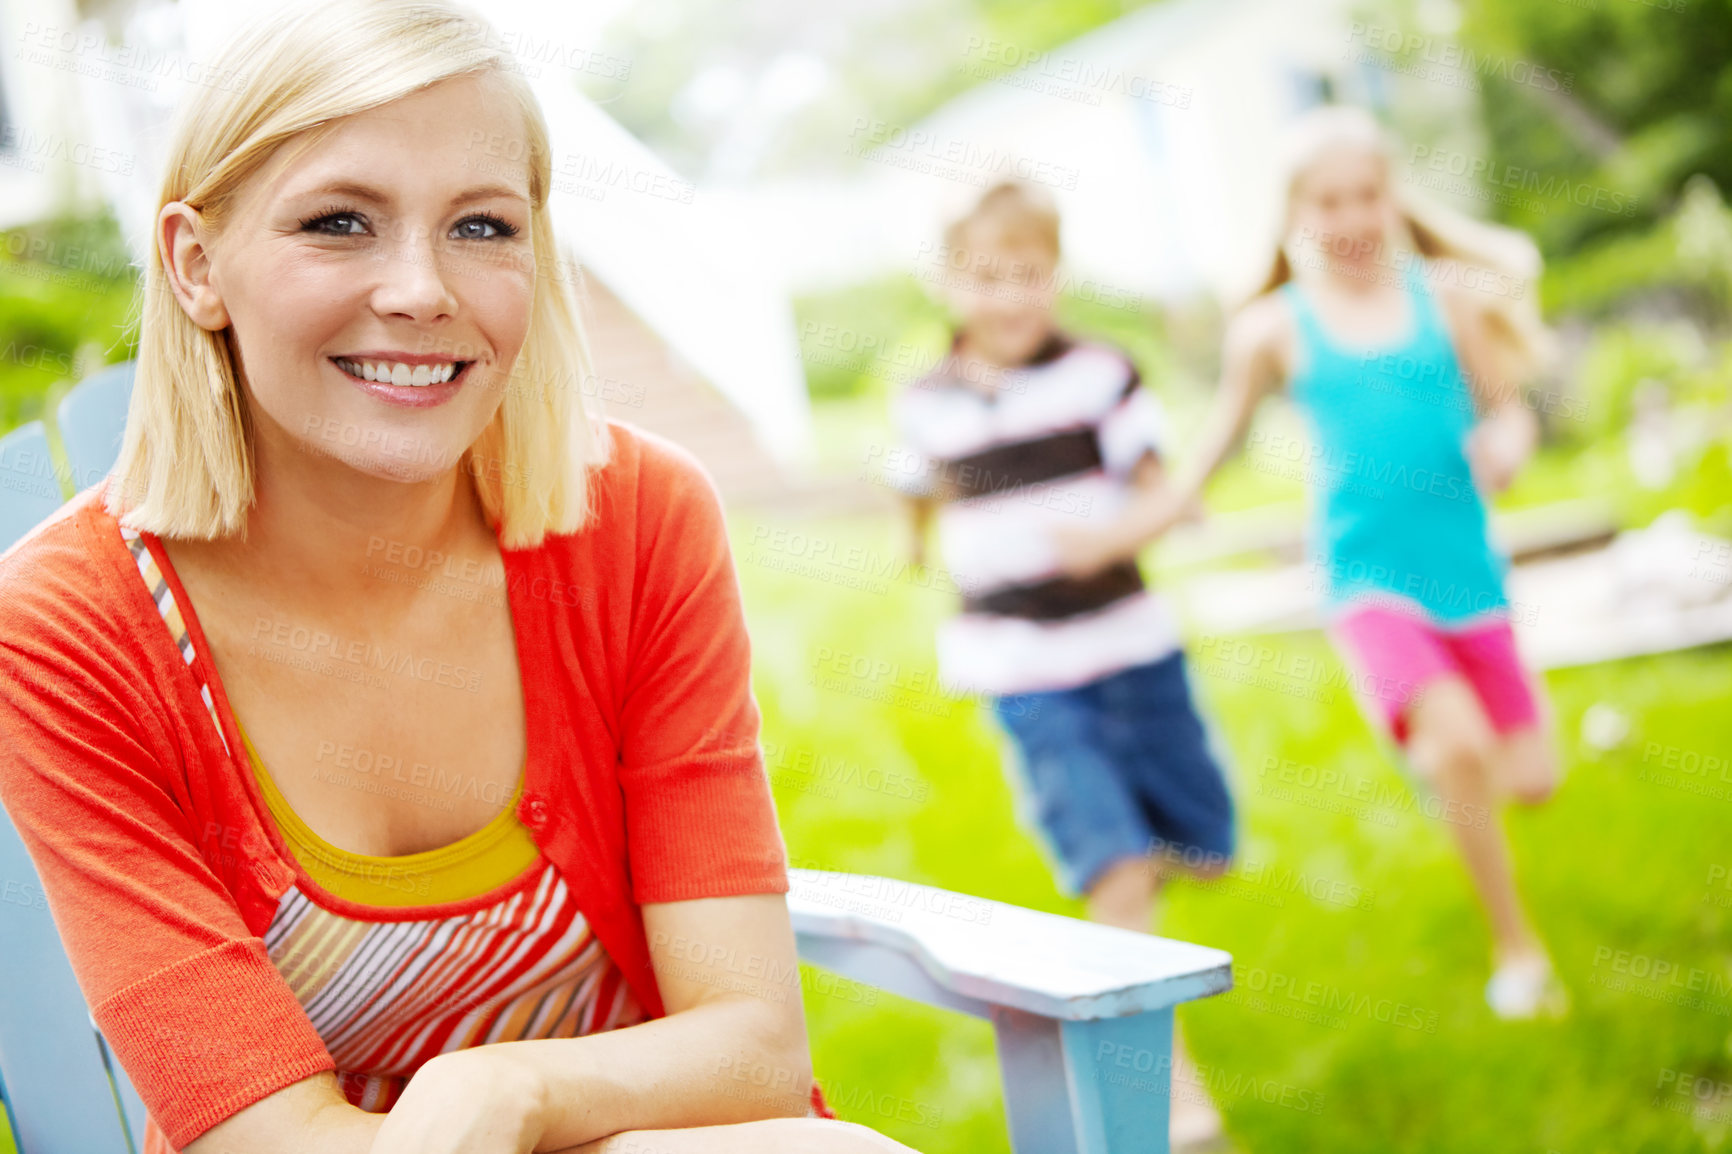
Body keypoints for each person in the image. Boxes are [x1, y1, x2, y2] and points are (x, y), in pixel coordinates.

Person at [0, 4, 917, 1153]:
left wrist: (511, 1092)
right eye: (339, 222)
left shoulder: (635, 522)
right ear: (196, 266)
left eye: (483, 226)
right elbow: (255, 1129)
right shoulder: (69, 628)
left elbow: (751, 1047)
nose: (422, 289)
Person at [1052, 105, 1567, 1020]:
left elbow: (1509, 409)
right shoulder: (1272, 331)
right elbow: (1206, 457)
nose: (1351, 219)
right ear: (1296, 213)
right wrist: (1115, 537)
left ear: (1390, 198)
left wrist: (1508, 445)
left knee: (1531, 779)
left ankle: (1449, 756)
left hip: (1466, 573)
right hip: (1367, 579)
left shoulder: (1446, 298)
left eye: (1366, 195)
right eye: (1327, 201)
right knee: (1460, 749)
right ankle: (1517, 945)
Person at [887, 180, 1237, 1151]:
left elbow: (1160, 483)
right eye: (988, 277)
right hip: (1019, 661)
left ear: (1055, 274)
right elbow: (917, 486)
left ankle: (1155, 867)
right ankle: (1174, 1100)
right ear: (951, 282)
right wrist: (915, 543)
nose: (1010, 297)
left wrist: (1122, 529)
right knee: (1115, 867)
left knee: (1200, 840)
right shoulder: (926, 402)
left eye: (1028, 275)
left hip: (1128, 642)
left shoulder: (1098, 374)